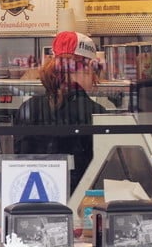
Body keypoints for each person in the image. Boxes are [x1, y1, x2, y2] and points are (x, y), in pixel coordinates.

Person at [14, 31, 106, 192]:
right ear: (89, 66)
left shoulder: (28, 108)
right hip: (78, 203)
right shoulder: (95, 112)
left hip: (34, 198)